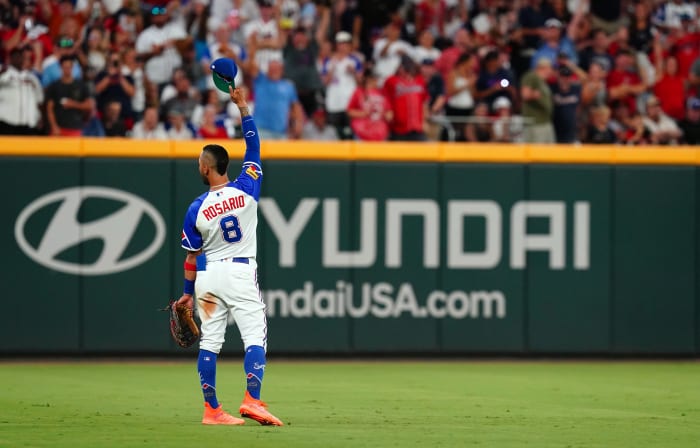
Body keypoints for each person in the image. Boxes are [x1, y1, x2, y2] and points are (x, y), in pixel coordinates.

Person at [176, 86, 283, 427]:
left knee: (210, 341)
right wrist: (243, 108)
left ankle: (212, 411)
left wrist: (185, 293)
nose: (198, 166)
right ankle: (252, 400)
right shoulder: (247, 187)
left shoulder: (196, 208)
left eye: (200, 162)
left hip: (208, 277)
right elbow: (253, 147)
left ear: (208, 169)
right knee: (254, 336)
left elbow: (191, 258)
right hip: (239, 273)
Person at [45, 55, 94, 136]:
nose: (67, 70)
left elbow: (89, 105)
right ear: (60, 68)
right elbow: (49, 108)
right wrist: (54, 126)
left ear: (73, 68)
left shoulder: (81, 85)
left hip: (75, 127)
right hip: (59, 128)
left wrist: (73, 104)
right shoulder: (54, 86)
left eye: (69, 67)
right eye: (65, 67)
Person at [0, 47, 43, 135]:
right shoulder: (4, 73)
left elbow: (39, 100)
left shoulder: (32, 78)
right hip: (6, 121)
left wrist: (39, 116)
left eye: (21, 57)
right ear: (10, 58)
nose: (19, 59)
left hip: (27, 122)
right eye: (16, 56)